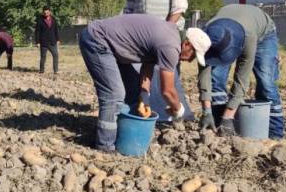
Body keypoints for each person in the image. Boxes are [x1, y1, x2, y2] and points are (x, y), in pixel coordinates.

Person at [78, 14, 210, 152]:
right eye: (193, 55)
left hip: (110, 44)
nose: (190, 61)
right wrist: (179, 109)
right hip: (97, 40)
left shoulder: (171, 35)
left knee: (134, 88)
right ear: (187, 44)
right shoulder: (171, 46)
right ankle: (104, 147)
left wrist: (144, 95)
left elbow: (147, 65)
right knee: (114, 94)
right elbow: (168, 91)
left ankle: (125, 133)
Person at [197, 4, 284, 139]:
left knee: (266, 83)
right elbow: (204, 74)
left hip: (262, 34)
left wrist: (229, 116)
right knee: (215, 78)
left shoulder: (248, 38)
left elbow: (241, 78)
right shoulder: (207, 34)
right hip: (228, 28)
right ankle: (217, 124)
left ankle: (275, 134)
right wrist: (206, 111)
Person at [35, 6, 60, 74]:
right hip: (43, 42)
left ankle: (56, 70)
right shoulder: (40, 20)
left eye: (47, 12)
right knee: (43, 57)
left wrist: (58, 39)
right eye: (44, 12)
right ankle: (41, 70)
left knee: (55, 55)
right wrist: (37, 42)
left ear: (49, 12)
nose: (46, 13)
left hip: (52, 41)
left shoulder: (53, 19)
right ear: (43, 12)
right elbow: (37, 31)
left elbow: (56, 29)